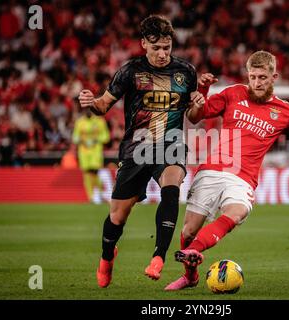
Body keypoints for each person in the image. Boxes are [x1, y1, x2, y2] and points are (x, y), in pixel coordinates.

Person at [164, 50, 289, 291]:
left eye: (262, 77)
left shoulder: (286, 113)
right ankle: (190, 276)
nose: (257, 82)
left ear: (274, 77)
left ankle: (193, 252)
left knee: (237, 211)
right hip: (212, 170)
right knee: (188, 231)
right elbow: (196, 116)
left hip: (243, 179)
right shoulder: (232, 94)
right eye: (253, 77)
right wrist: (204, 92)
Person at [78, 15, 202, 287]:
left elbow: (193, 116)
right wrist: (90, 102)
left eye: (167, 48)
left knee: (172, 185)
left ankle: (158, 256)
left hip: (171, 145)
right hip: (137, 149)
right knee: (117, 216)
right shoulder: (130, 72)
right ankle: (107, 256)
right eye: (156, 47)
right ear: (143, 43)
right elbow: (102, 106)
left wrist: (199, 101)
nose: (162, 54)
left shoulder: (186, 72)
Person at [72, 108, 110, 204]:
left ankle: (100, 193)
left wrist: (96, 139)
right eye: (86, 110)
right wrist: (81, 140)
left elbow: (106, 136)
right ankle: (91, 197)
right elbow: (75, 137)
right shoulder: (79, 122)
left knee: (95, 172)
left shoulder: (99, 121)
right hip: (84, 152)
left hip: (96, 151)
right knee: (87, 173)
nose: (88, 111)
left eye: (90, 109)